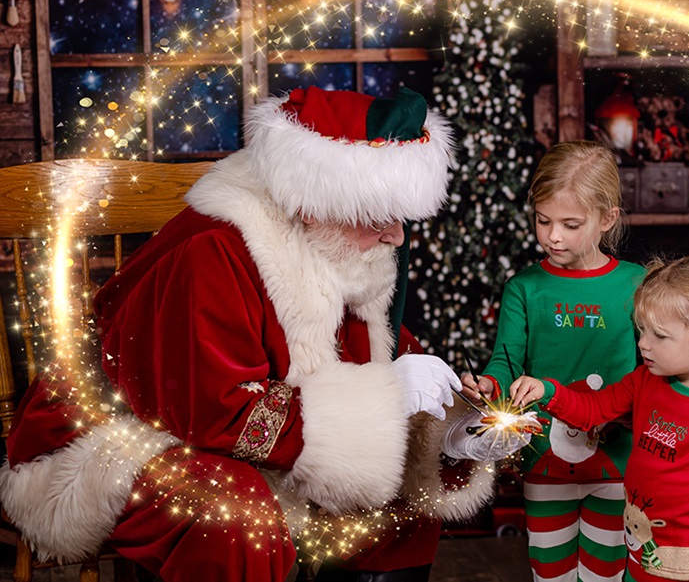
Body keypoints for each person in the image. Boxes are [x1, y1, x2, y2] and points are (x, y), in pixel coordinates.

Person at [0, 86, 528, 582]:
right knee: (238, 515)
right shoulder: (211, 251)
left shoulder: (344, 246)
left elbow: (385, 365)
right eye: (383, 216)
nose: (397, 234)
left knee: (402, 492)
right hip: (121, 436)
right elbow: (215, 411)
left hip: (243, 438)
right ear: (315, 202)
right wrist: (388, 396)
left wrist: (457, 433)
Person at [509, 255, 689, 582]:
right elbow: (593, 410)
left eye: (659, 336)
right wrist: (548, 391)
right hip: (638, 555)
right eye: (642, 330)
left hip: (688, 566)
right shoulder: (645, 380)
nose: (643, 344)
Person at [461, 140, 645, 582]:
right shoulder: (524, 288)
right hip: (544, 458)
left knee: (606, 572)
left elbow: (656, 363)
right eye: (543, 221)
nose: (553, 236)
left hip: (617, 459)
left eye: (570, 223)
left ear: (607, 219)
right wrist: (489, 385)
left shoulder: (637, 283)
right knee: (551, 571)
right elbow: (505, 360)